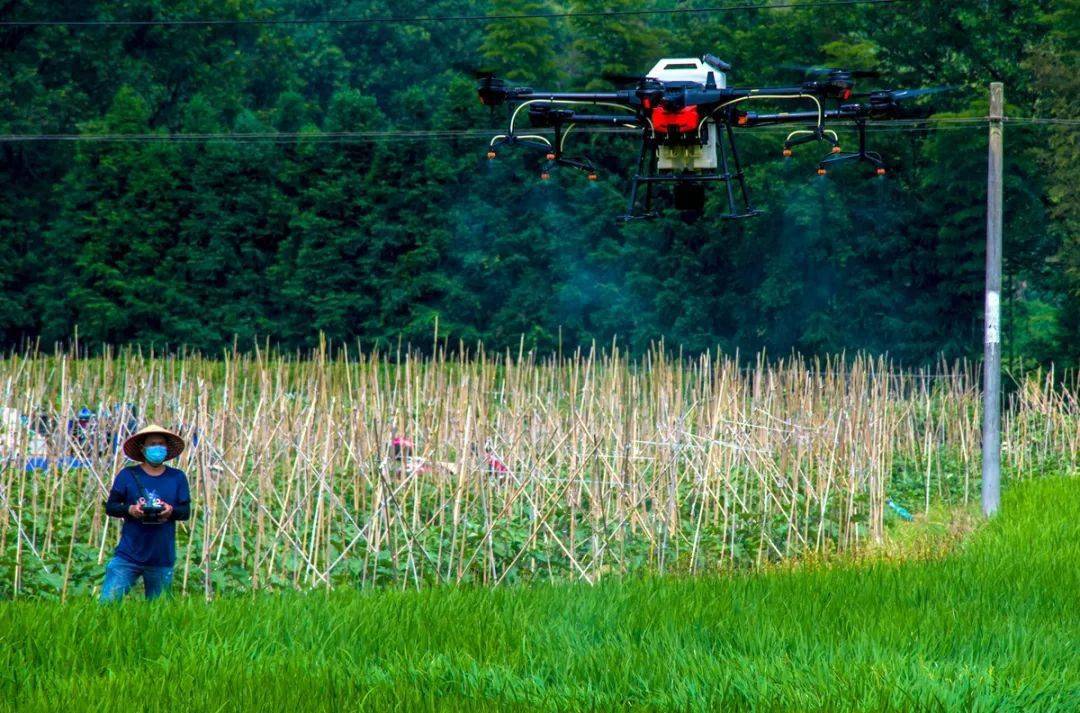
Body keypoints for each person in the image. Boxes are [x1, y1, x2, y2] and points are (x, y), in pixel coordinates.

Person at [100, 424, 191, 602]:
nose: (157, 448)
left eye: (161, 444)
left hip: (161, 556)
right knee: (107, 604)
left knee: (158, 614)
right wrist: (130, 510)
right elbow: (111, 507)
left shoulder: (177, 477)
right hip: (128, 554)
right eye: (152, 444)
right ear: (143, 449)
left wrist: (170, 511)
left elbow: (185, 512)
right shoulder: (128, 475)